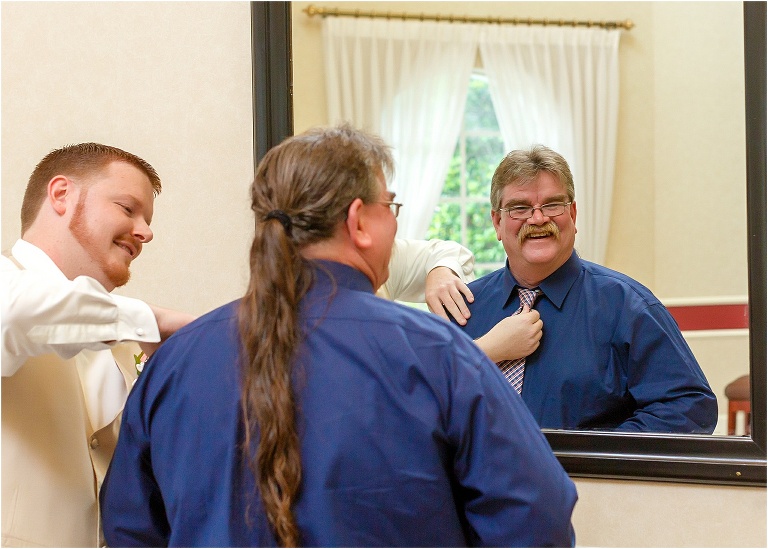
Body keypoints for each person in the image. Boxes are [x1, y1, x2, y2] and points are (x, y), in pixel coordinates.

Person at [100, 125, 578, 547]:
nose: (394, 221)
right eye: (389, 206)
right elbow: (537, 520)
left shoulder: (175, 363)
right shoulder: (437, 356)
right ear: (359, 222)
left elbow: (128, 529)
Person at [1, 143, 195, 547]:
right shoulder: (8, 286)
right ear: (61, 195)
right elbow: (19, 310)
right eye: (128, 208)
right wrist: (153, 320)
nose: (146, 232)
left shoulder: (126, 347)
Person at [456, 144, 718, 433]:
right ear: (497, 222)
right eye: (520, 208)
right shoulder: (465, 307)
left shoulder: (628, 306)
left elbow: (688, 407)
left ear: (573, 214)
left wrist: (599, 462)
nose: (538, 219)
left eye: (553, 205)